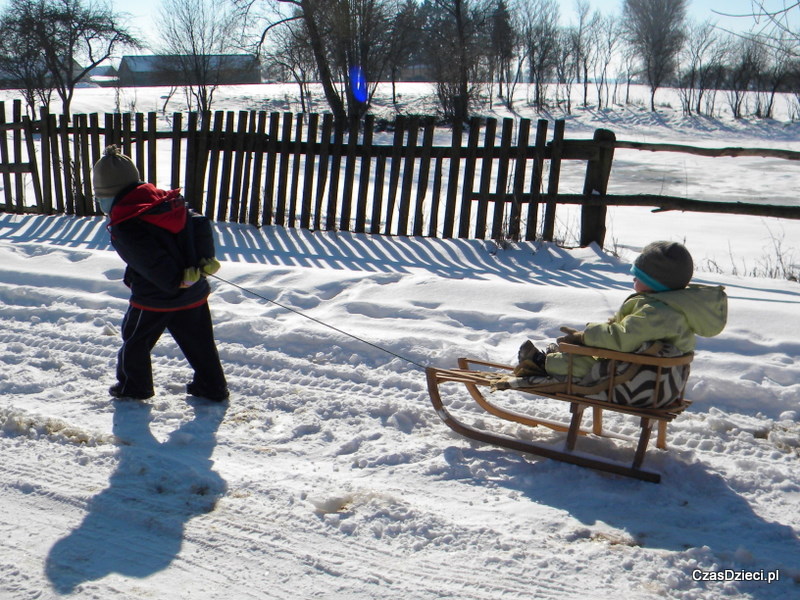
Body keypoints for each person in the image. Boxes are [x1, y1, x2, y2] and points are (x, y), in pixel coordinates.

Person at [93, 145, 228, 402]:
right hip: (194, 288)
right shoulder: (166, 203)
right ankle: (212, 387)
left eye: (100, 197)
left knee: (135, 340)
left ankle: (134, 387)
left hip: (156, 296)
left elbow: (151, 260)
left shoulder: (126, 225)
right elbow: (199, 223)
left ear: (108, 196)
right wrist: (203, 260)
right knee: (199, 341)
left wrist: (175, 280)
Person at [515, 241, 728, 382]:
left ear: (657, 283)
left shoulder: (657, 313)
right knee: (592, 355)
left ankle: (542, 364)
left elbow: (622, 337)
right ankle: (559, 356)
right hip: (651, 371)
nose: (634, 279)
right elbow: (629, 332)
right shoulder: (670, 307)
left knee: (588, 366)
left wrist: (586, 336)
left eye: (639, 277)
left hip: (638, 377)